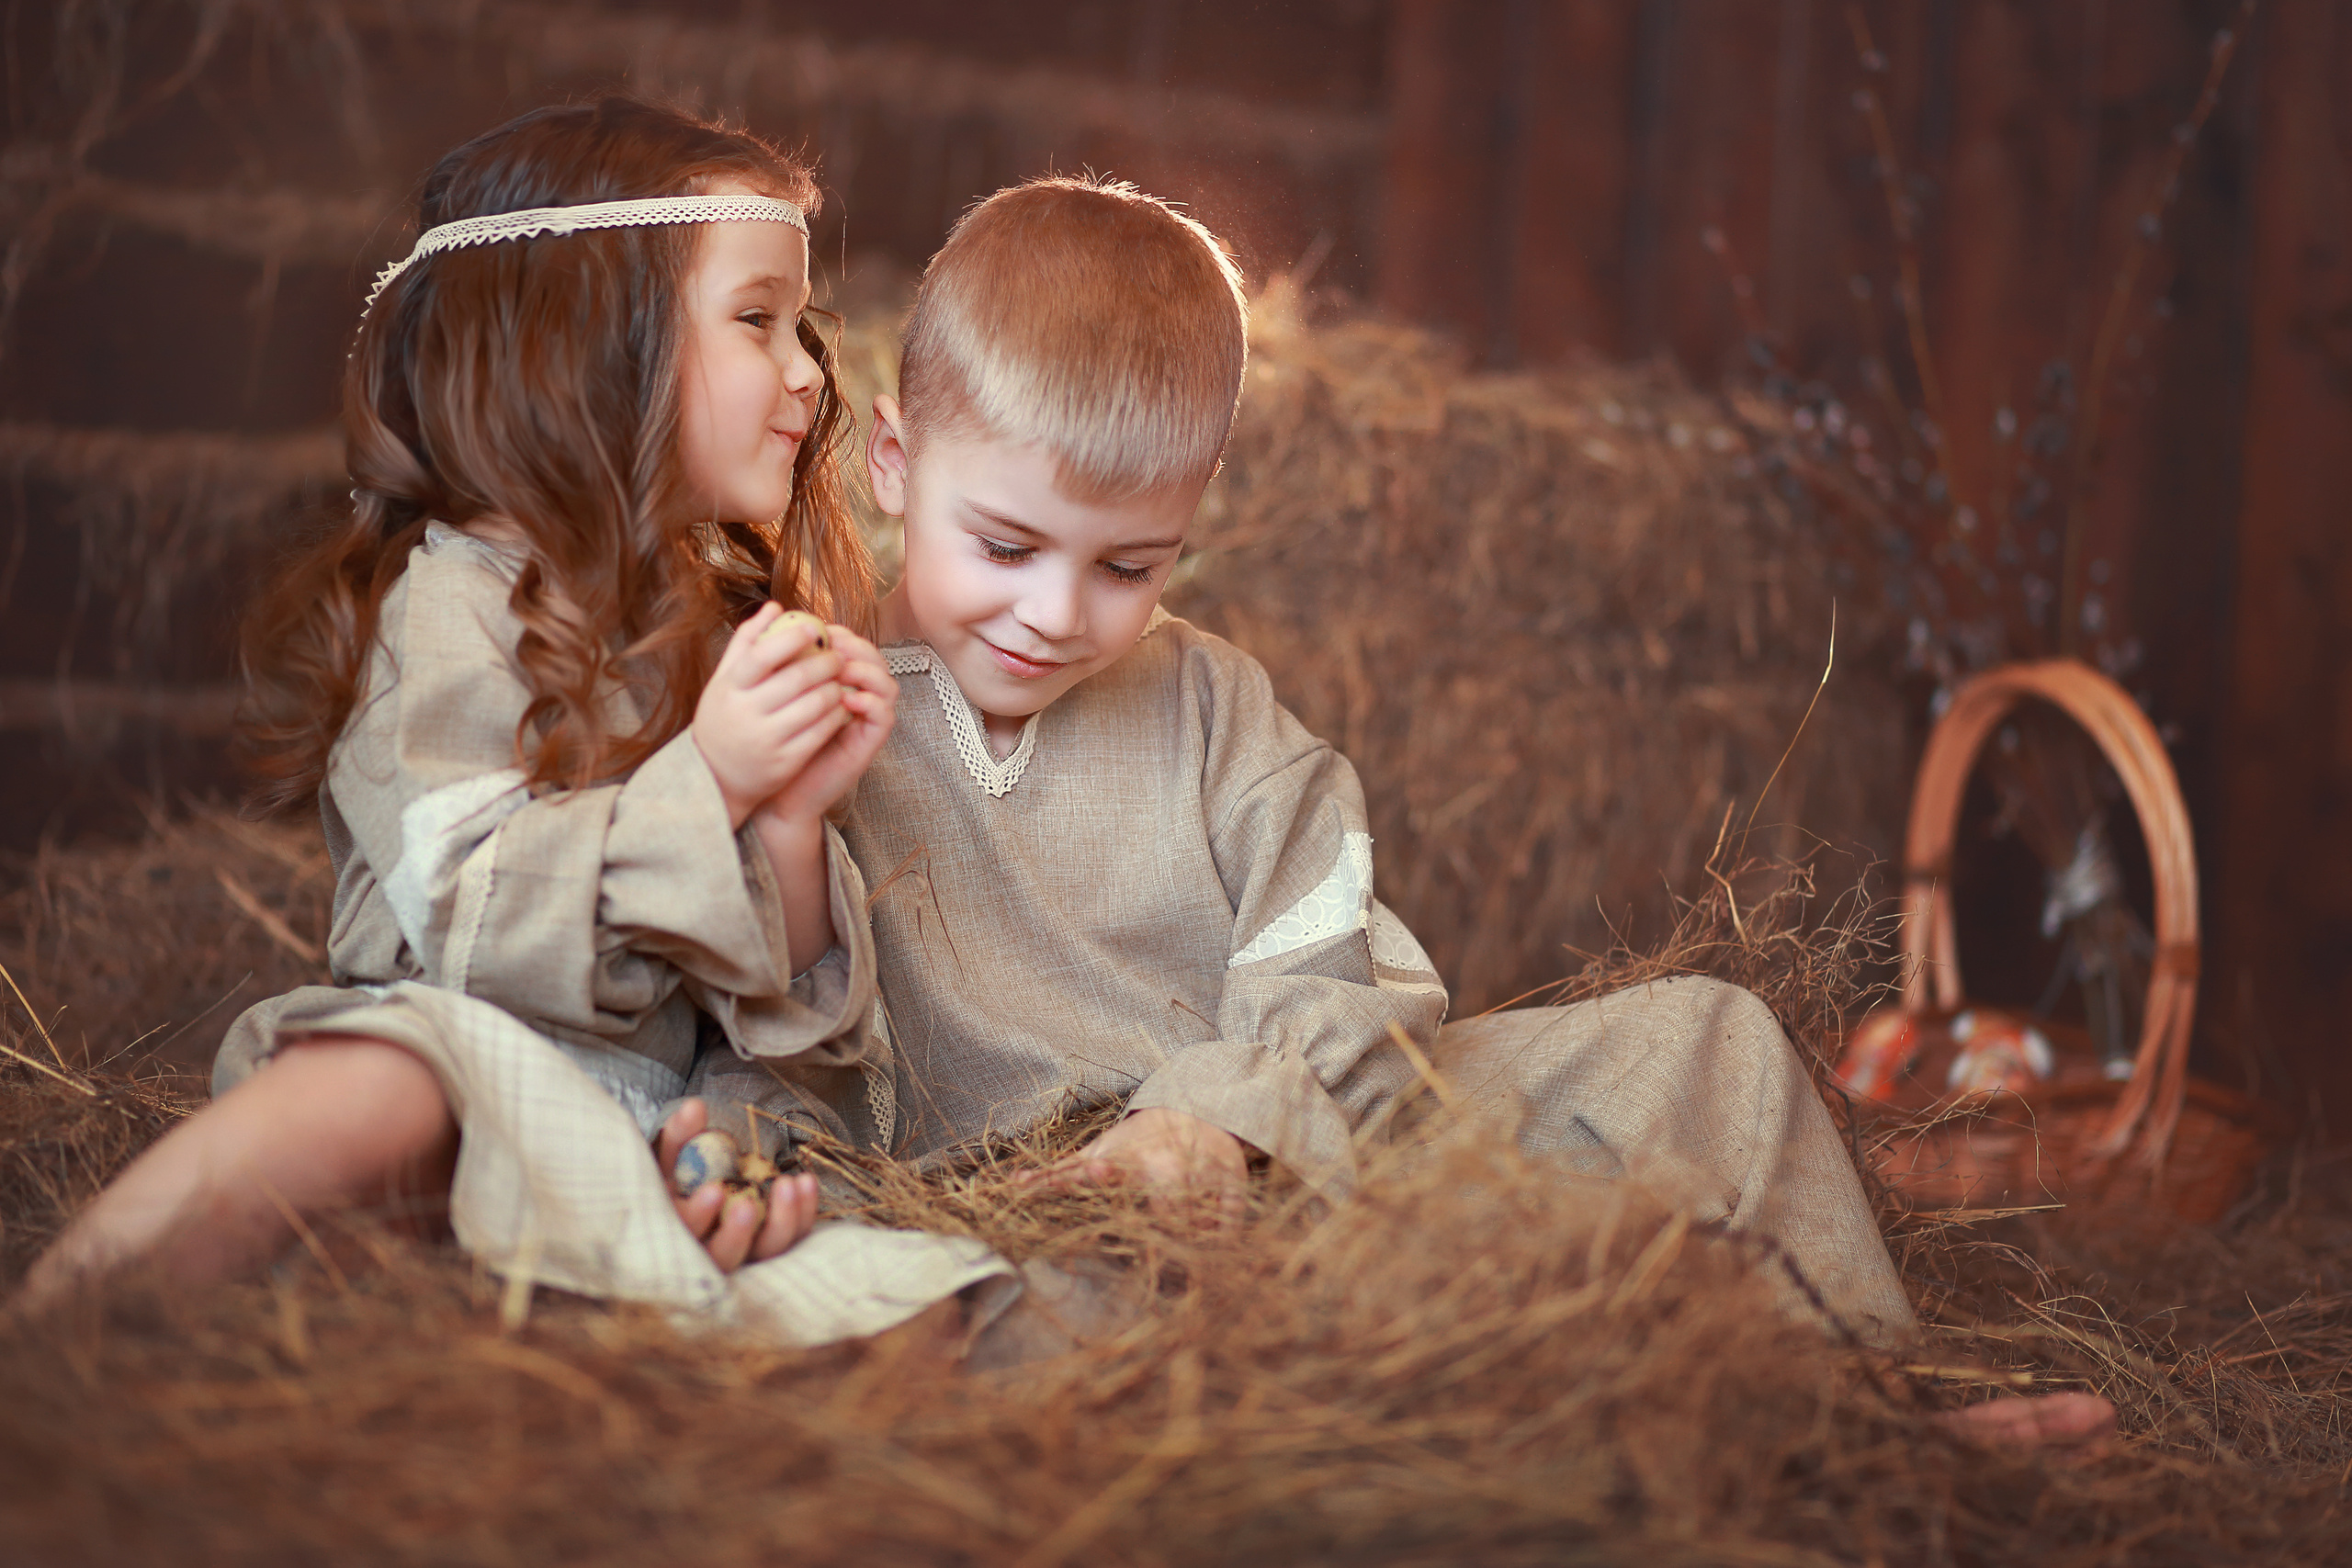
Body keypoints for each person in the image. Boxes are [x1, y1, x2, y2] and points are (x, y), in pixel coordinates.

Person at [687, 176, 2115, 1443]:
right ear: (891, 460)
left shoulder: (1219, 712)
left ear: (1201, 514)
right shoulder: (823, 702)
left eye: (1131, 565)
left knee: (1714, 1045)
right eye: (1005, 545)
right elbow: (790, 1039)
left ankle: (1864, 1415)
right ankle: (1530, 1406)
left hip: (1287, 1144)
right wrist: (797, 828)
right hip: (1045, 1213)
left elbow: (1347, 975)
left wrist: (1221, 1123)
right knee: (1018, 1317)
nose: (1057, 614)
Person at [15, 98, 970, 1326]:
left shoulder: (726, 633)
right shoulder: (449, 611)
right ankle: (55, 1334)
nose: (807, 373)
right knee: (377, 1084)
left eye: (804, 328)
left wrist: (786, 831)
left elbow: (780, 1032)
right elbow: (467, 914)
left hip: (625, 1150)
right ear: (582, 346)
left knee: (915, 1302)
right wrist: (715, 786)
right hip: (459, 1104)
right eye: (755, 321)